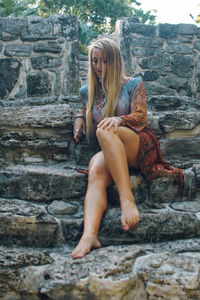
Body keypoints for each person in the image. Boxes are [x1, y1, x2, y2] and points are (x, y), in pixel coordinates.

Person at [72, 38, 183, 259]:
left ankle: (127, 199)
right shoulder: (88, 91)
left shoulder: (133, 84)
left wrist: (118, 120)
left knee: (105, 129)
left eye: (105, 61)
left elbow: (141, 116)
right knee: (95, 170)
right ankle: (89, 235)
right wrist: (79, 120)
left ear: (115, 61)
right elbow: (84, 109)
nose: (99, 66)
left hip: (138, 144)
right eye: (95, 61)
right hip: (110, 148)